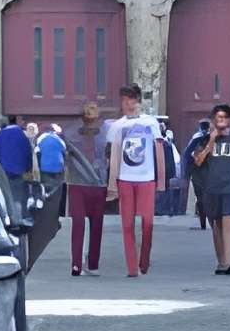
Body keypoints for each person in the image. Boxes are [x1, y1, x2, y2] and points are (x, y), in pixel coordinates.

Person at [108, 83, 166, 278]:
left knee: (147, 223)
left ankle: (144, 258)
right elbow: (115, 155)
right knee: (127, 224)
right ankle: (132, 267)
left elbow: (159, 151)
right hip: (125, 179)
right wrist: (112, 184)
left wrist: (161, 180)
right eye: (123, 100)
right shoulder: (118, 126)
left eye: (130, 99)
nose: (127, 103)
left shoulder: (151, 123)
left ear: (138, 100)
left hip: (147, 179)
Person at [190, 103, 230, 272]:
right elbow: (198, 160)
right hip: (211, 188)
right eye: (217, 117)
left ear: (228, 119)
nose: (220, 120)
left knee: (228, 222)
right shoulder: (203, 140)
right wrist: (211, 140)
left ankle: (229, 262)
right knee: (217, 225)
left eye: (223, 117)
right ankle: (222, 262)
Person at [63, 101, 110, 276]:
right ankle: (76, 264)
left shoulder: (105, 133)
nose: (92, 113)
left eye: (95, 109)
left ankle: (92, 263)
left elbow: (110, 156)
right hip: (77, 183)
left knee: (97, 225)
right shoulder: (70, 133)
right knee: (79, 224)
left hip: (99, 184)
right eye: (88, 109)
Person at [34, 117, 66, 216]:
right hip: (58, 167)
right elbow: (64, 150)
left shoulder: (41, 138)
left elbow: (37, 151)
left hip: (45, 167)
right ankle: (54, 203)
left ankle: (45, 200)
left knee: (45, 184)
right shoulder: (59, 139)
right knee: (57, 186)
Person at [183, 119, 211, 227]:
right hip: (211, 171)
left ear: (200, 127)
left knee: (200, 197)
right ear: (208, 127)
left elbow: (186, 154)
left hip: (197, 171)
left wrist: (188, 171)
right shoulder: (212, 138)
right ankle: (213, 222)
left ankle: (203, 223)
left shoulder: (196, 137)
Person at [0, 112, 33, 182]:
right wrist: (29, 169)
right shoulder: (21, 135)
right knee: (18, 189)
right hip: (19, 169)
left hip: (3, 170)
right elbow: (28, 152)